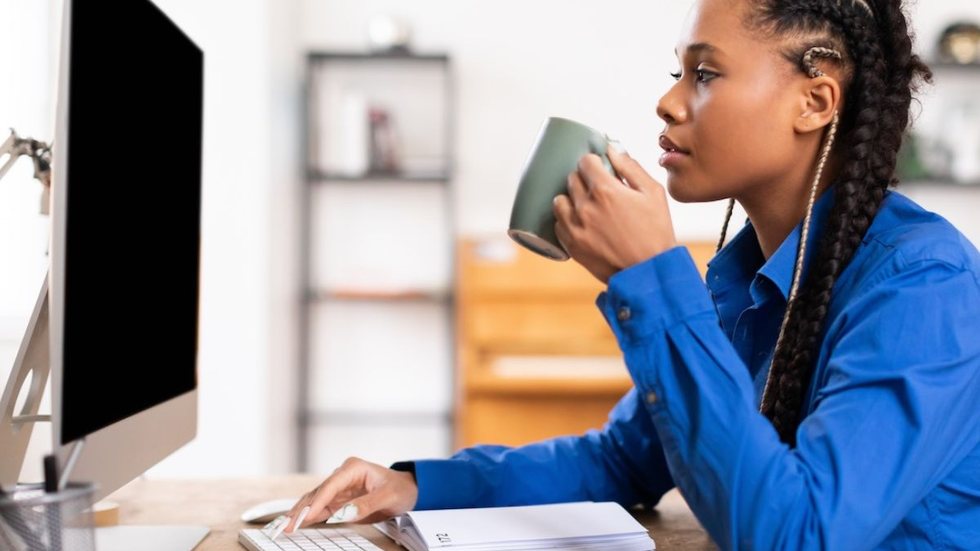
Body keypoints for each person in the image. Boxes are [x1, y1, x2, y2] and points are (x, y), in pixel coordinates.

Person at [282, 0, 980, 548]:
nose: (669, 102)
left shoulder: (924, 284)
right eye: (676, 72)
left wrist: (651, 275)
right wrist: (416, 485)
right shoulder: (747, 277)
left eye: (704, 74)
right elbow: (623, 460)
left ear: (816, 102)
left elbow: (797, 532)